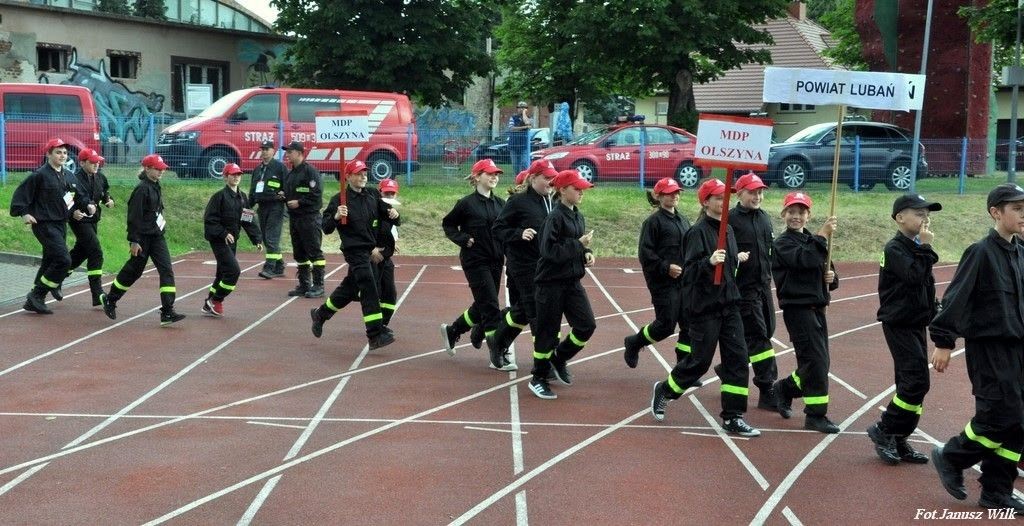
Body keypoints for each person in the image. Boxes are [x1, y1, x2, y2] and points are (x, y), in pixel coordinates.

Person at [929, 183, 1024, 513]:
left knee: (1020, 421)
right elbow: (956, 298)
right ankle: (952, 456)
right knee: (1001, 415)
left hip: (1018, 348)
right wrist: (943, 340)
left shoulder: (1021, 251)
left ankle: (996, 490)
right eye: (1017, 208)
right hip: (989, 348)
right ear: (996, 213)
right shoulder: (980, 252)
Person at [648, 178, 760, 437]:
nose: (724, 203)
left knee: (738, 360)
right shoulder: (697, 232)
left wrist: (736, 261)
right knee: (699, 362)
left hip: (729, 305)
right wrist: (708, 262)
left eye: (726, 198)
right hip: (705, 308)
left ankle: (733, 416)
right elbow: (689, 273)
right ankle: (665, 390)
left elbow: (729, 269)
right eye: (719, 198)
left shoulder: (729, 231)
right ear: (706, 201)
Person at [866, 194, 942, 466]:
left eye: (927, 214)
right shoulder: (895, 248)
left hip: (915, 321)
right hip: (899, 322)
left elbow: (925, 284)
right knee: (915, 382)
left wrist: (935, 310)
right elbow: (915, 276)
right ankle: (884, 429)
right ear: (900, 217)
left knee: (912, 384)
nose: (926, 218)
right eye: (919, 213)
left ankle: (899, 436)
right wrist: (925, 246)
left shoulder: (915, 247)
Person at [769, 192, 840, 434]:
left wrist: (831, 278)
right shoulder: (783, 244)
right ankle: (815, 415)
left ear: (808, 216)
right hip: (798, 309)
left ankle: (786, 389)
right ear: (783, 214)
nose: (796, 217)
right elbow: (805, 260)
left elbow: (825, 270)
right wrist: (822, 235)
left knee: (819, 362)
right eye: (791, 212)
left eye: (801, 212)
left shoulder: (813, 240)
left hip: (817, 307)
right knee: (815, 362)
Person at [309, 160, 399, 350]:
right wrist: (335, 216)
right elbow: (326, 228)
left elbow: (387, 214)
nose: (363, 176)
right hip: (355, 251)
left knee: (349, 289)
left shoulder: (373, 194)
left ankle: (320, 314)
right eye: (358, 173)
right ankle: (375, 334)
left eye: (365, 173)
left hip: (370, 250)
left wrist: (394, 215)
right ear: (348, 177)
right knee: (369, 285)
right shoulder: (339, 199)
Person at [527, 169, 596, 400]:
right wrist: (578, 245)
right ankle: (538, 377)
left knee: (586, 325)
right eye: (577, 188)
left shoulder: (577, 215)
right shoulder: (554, 217)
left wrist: (586, 253)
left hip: (572, 281)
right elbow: (548, 251)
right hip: (550, 284)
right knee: (547, 332)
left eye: (582, 188)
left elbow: (577, 246)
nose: (581, 192)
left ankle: (558, 358)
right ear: (562, 190)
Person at [488, 160, 558, 372]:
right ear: (533, 177)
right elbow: (498, 229)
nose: (550, 181)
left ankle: (497, 341)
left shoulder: (554, 202)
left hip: (546, 265)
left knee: (524, 311)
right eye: (546, 177)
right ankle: (545, 364)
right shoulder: (518, 202)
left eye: (553, 177)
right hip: (523, 266)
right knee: (537, 311)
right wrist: (519, 234)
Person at [99, 154, 186, 326]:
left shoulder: (156, 186)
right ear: (147, 169)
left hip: (157, 237)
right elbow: (134, 217)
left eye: (162, 169)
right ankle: (110, 299)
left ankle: (167, 311)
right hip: (143, 238)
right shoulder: (141, 189)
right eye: (157, 169)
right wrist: (134, 240)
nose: (161, 171)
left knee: (166, 270)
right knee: (134, 270)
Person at [440, 158, 506, 362]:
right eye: (490, 174)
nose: (494, 177)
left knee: (483, 303)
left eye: (496, 174)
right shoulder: (466, 204)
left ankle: (453, 330)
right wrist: (463, 239)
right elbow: (448, 224)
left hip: (496, 260)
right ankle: (497, 354)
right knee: (491, 306)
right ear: (477, 177)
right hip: (475, 260)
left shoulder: (500, 204)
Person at [623, 177, 692, 369]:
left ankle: (683, 368)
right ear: (659, 196)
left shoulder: (683, 219)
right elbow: (645, 254)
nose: (675, 195)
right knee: (666, 325)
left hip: (684, 281)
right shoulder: (653, 222)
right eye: (670, 192)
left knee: (689, 324)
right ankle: (635, 342)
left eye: (677, 191)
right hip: (663, 282)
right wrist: (666, 268)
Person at [9, 138, 78, 314]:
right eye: (58, 152)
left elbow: (70, 199)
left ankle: (36, 295)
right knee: (64, 260)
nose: (62, 155)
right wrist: (24, 213)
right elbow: (20, 197)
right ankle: (37, 295)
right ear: (48, 154)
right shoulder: (39, 175)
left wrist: (75, 212)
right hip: (44, 224)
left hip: (61, 223)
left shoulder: (66, 175)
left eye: (64, 152)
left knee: (49, 261)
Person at [728, 172, 779, 410]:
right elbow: (721, 253)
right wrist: (734, 257)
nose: (757, 196)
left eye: (760, 192)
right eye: (752, 192)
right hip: (744, 290)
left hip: (763, 286)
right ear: (740, 194)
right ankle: (768, 389)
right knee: (759, 338)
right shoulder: (729, 221)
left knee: (768, 330)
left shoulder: (765, 218)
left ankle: (727, 366)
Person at [201, 162, 264, 317]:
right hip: (219, 240)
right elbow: (209, 220)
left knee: (222, 273)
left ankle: (208, 302)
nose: (236, 177)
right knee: (233, 271)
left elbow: (247, 220)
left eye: (238, 175)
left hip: (232, 241)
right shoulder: (219, 197)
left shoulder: (242, 197)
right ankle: (216, 300)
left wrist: (257, 239)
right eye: (233, 174)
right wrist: (223, 233)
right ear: (225, 177)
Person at [67, 148, 114, 307]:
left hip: (93, 220)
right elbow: (68, 199)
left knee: (81, 251)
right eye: (92, 162)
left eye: (98, 162)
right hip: (79, 221)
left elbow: (105, 192)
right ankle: (97, 293)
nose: (96, 164)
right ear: (82, 163)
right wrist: (73, 212)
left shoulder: (100, 177)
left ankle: (57, 275)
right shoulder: (74, 179)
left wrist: (109, 200)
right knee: (95, 251)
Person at [281, 141, 325, 298]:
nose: (287, 154)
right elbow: (290, 192)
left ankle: (319, 285)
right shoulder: (291, 173)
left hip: (309, 218)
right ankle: (304, 284)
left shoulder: (310, 172)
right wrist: (283, 196)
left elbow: (316, 195)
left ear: (299, 153)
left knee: (314, 251)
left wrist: (299, 202)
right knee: (299, 252)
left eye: (290, 151)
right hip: (295, 219)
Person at [250, 140, 288, 279]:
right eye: (263, 149)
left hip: (276, 207)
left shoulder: (280, 167)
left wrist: (284, 194)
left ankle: (269, 267)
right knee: (266, 238)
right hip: (262, 207)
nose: (264, 151)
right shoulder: (257, 169)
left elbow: (288, 185)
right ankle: (279, 265)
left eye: (267, 149)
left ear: (273, 151)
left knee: (272, 238)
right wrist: (248, 206)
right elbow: (253, 189)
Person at [375, 178, 401, 327]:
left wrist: (394, 242)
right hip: (372, 257)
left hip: (385, 258)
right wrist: (372, 247)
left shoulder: (392, 210)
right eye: (387, 193)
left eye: (392, 193)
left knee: (390, 293)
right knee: (374, 293)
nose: (390, 196)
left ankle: (383, 324)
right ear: (380, 192)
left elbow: (391, 229)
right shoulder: (374, 208)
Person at [507, 101, 532, 175]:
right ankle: (518, 179)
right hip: (513, 144)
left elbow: (528, 123)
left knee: (524, 163)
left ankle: (524, 179)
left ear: (526, 109)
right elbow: (511, 128)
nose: (521, 109)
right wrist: (524, 127)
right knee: (515, 165)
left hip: (524, 145)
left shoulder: (529, 118)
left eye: (523, 108)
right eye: (519, 108)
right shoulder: (513, 117)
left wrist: (524, 114)